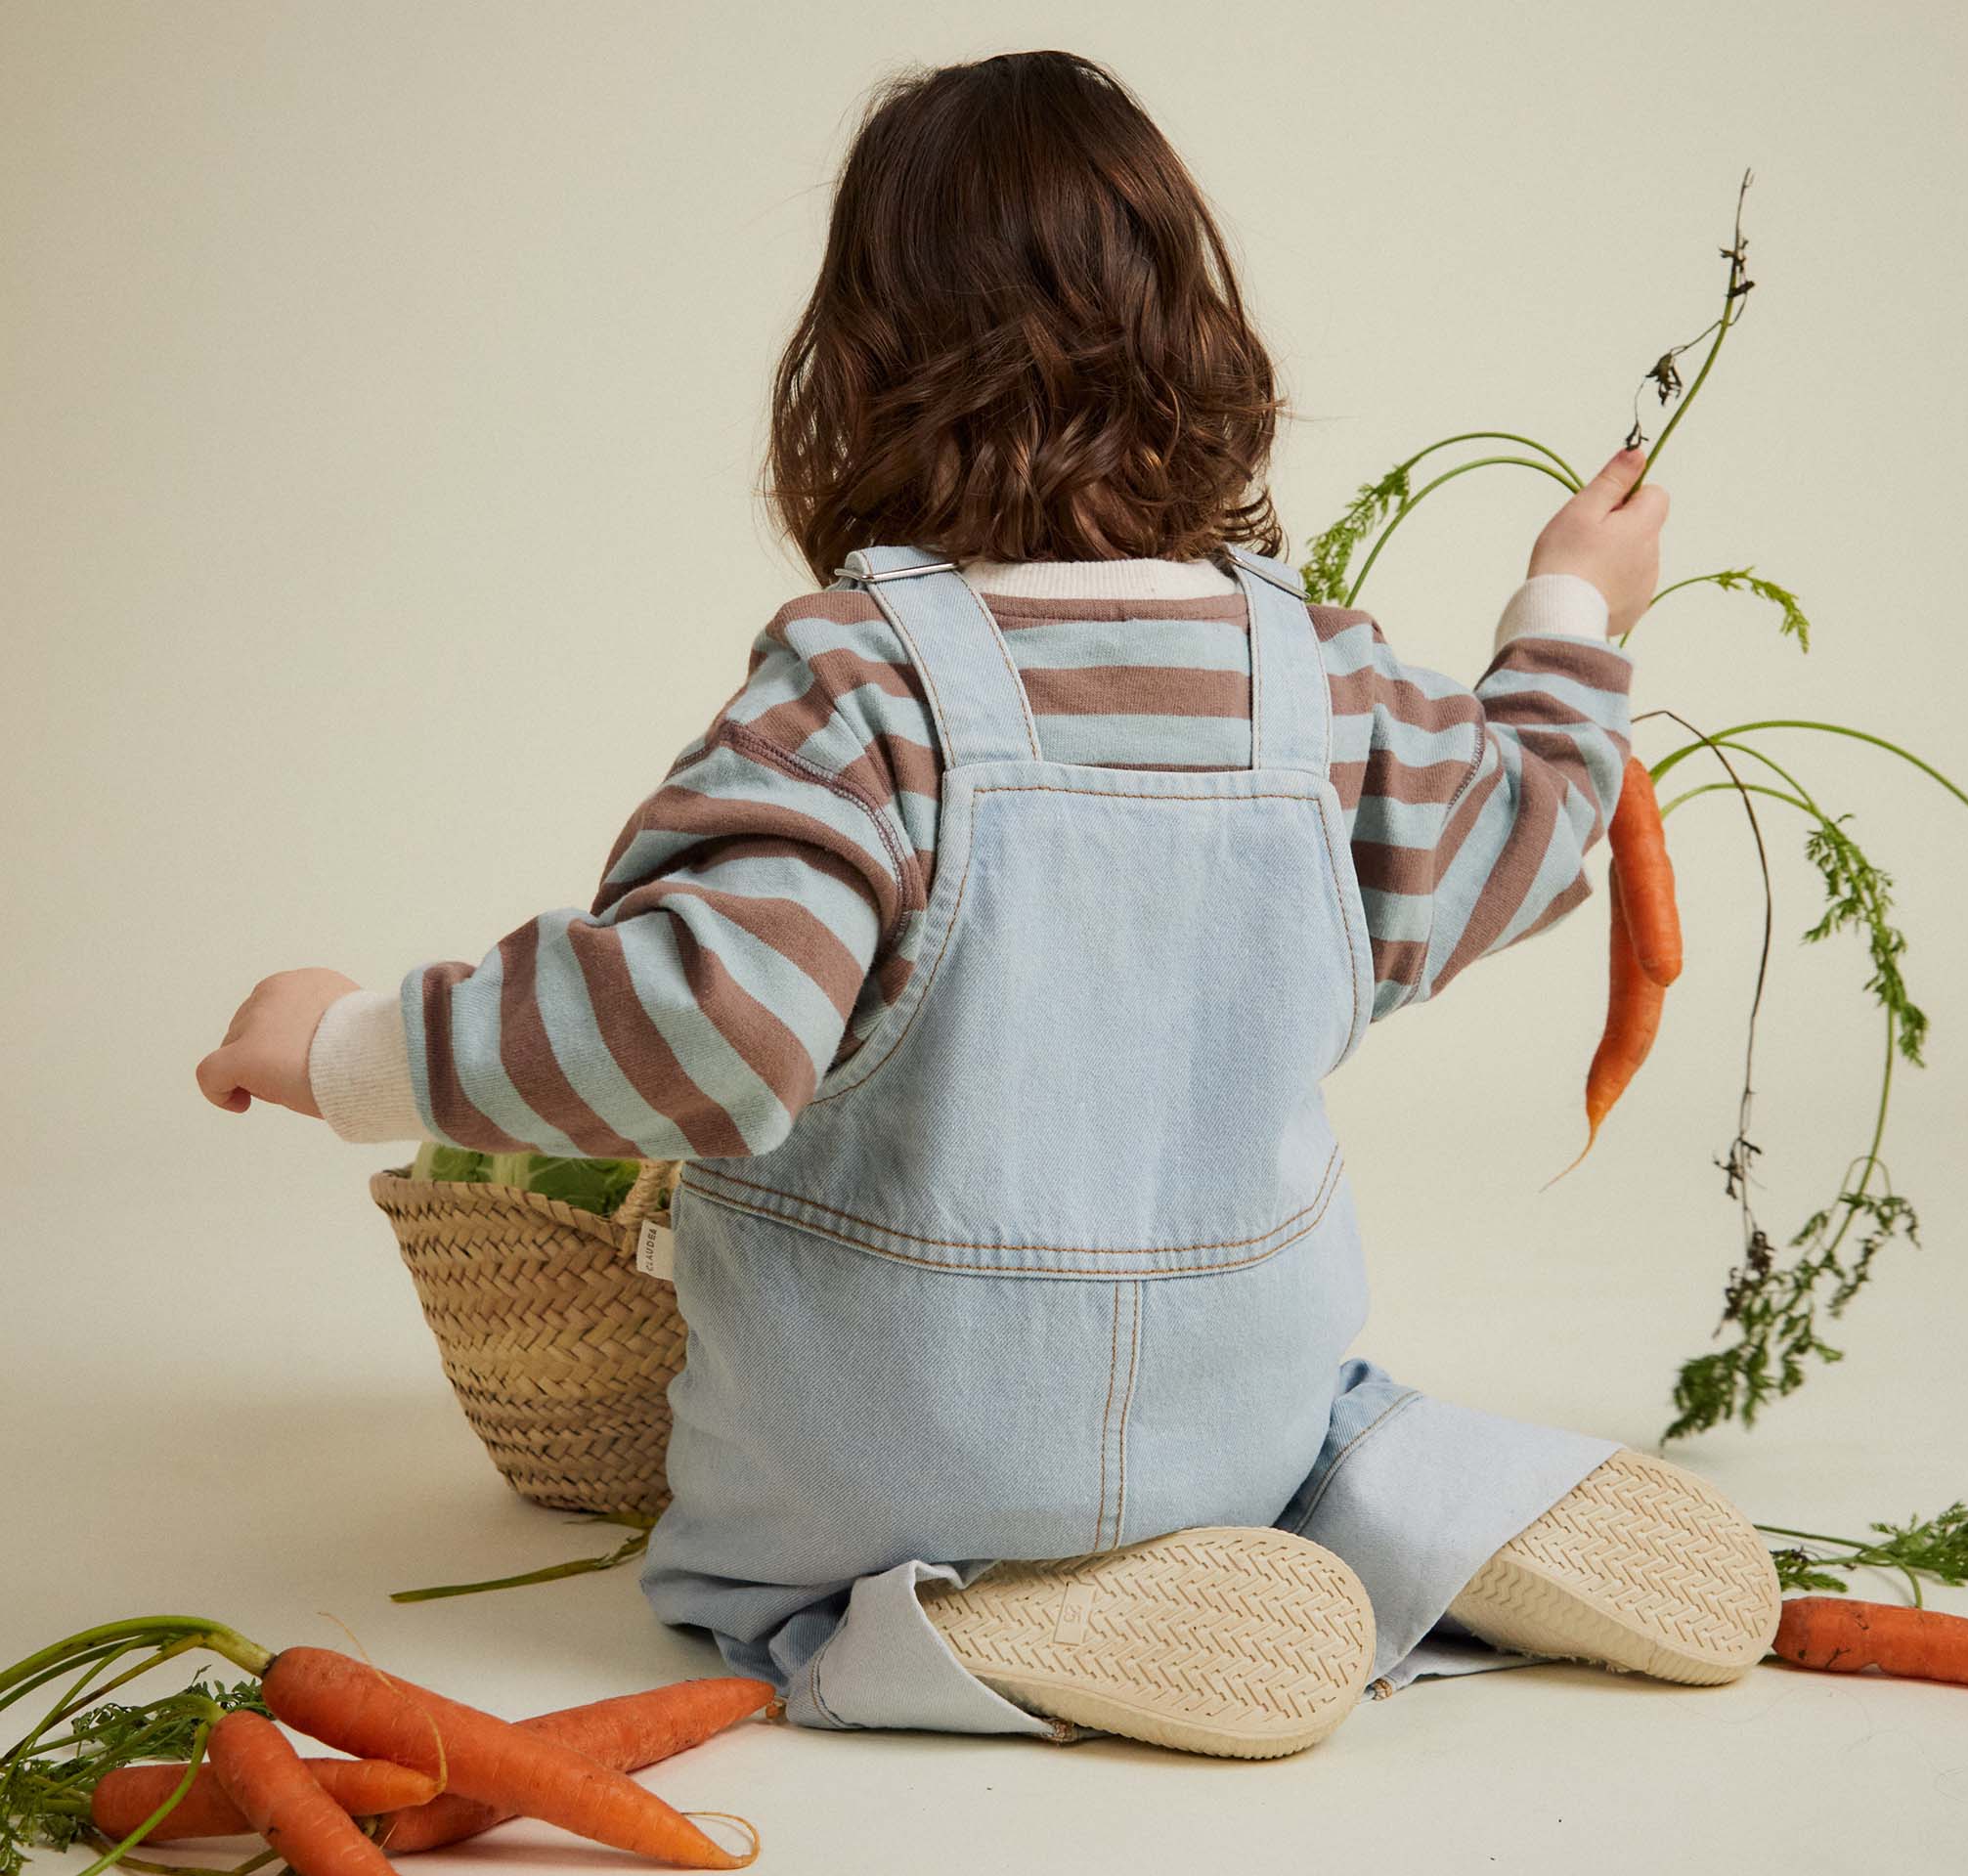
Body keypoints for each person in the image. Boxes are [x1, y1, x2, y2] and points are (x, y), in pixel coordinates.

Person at [196, 49, 1780, 1760]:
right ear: (1200, 342)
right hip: (1221, 1409)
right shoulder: (1312, 683)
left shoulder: (860, 686)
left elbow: (712, 1027)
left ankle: (934, 1624)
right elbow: (1540, 820)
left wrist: (344, 1046)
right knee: (1317, 1415)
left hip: (877, 1447)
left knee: (755, 1596)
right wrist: (1570, 600)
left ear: (854, 373)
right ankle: (1431, 1509)